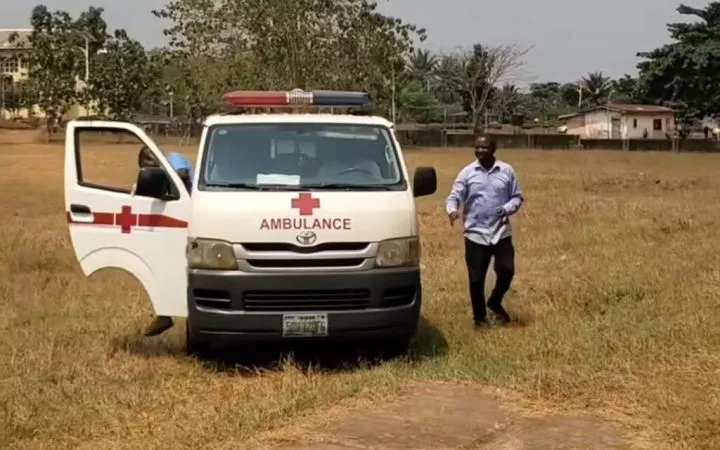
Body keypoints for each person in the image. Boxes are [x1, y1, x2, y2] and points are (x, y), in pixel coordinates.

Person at [445, 135, 524, 328]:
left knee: (507, 271)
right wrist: (452, 210)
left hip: (501, 233)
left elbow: (517, 197)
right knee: (476, 279)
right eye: (477, 147)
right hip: (475, 234)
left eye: (484, 147)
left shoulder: (506, 171)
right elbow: (453, 196)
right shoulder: (467, 173)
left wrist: (506, 209)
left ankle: (495, 302)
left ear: (493, 149)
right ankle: (480, 320)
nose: (480, 150)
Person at [136, 146, 195, 337]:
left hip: (191, 218)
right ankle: (165, 313)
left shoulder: (175, 160)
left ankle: (170, 316)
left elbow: (183, 176)